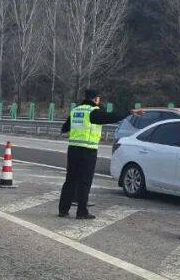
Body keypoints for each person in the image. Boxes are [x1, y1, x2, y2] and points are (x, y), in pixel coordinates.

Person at [58, 89, 143, 219]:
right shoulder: (93, 112)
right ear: (95, 99)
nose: (99, 100)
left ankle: (63, 210)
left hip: (73, 149)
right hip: (88, 150)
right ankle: (81, 212)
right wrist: (129, 112)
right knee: (85, 181)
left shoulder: (76, 111)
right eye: (99, 98)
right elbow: (111, 117)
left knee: (70, 180)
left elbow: (65, 128)